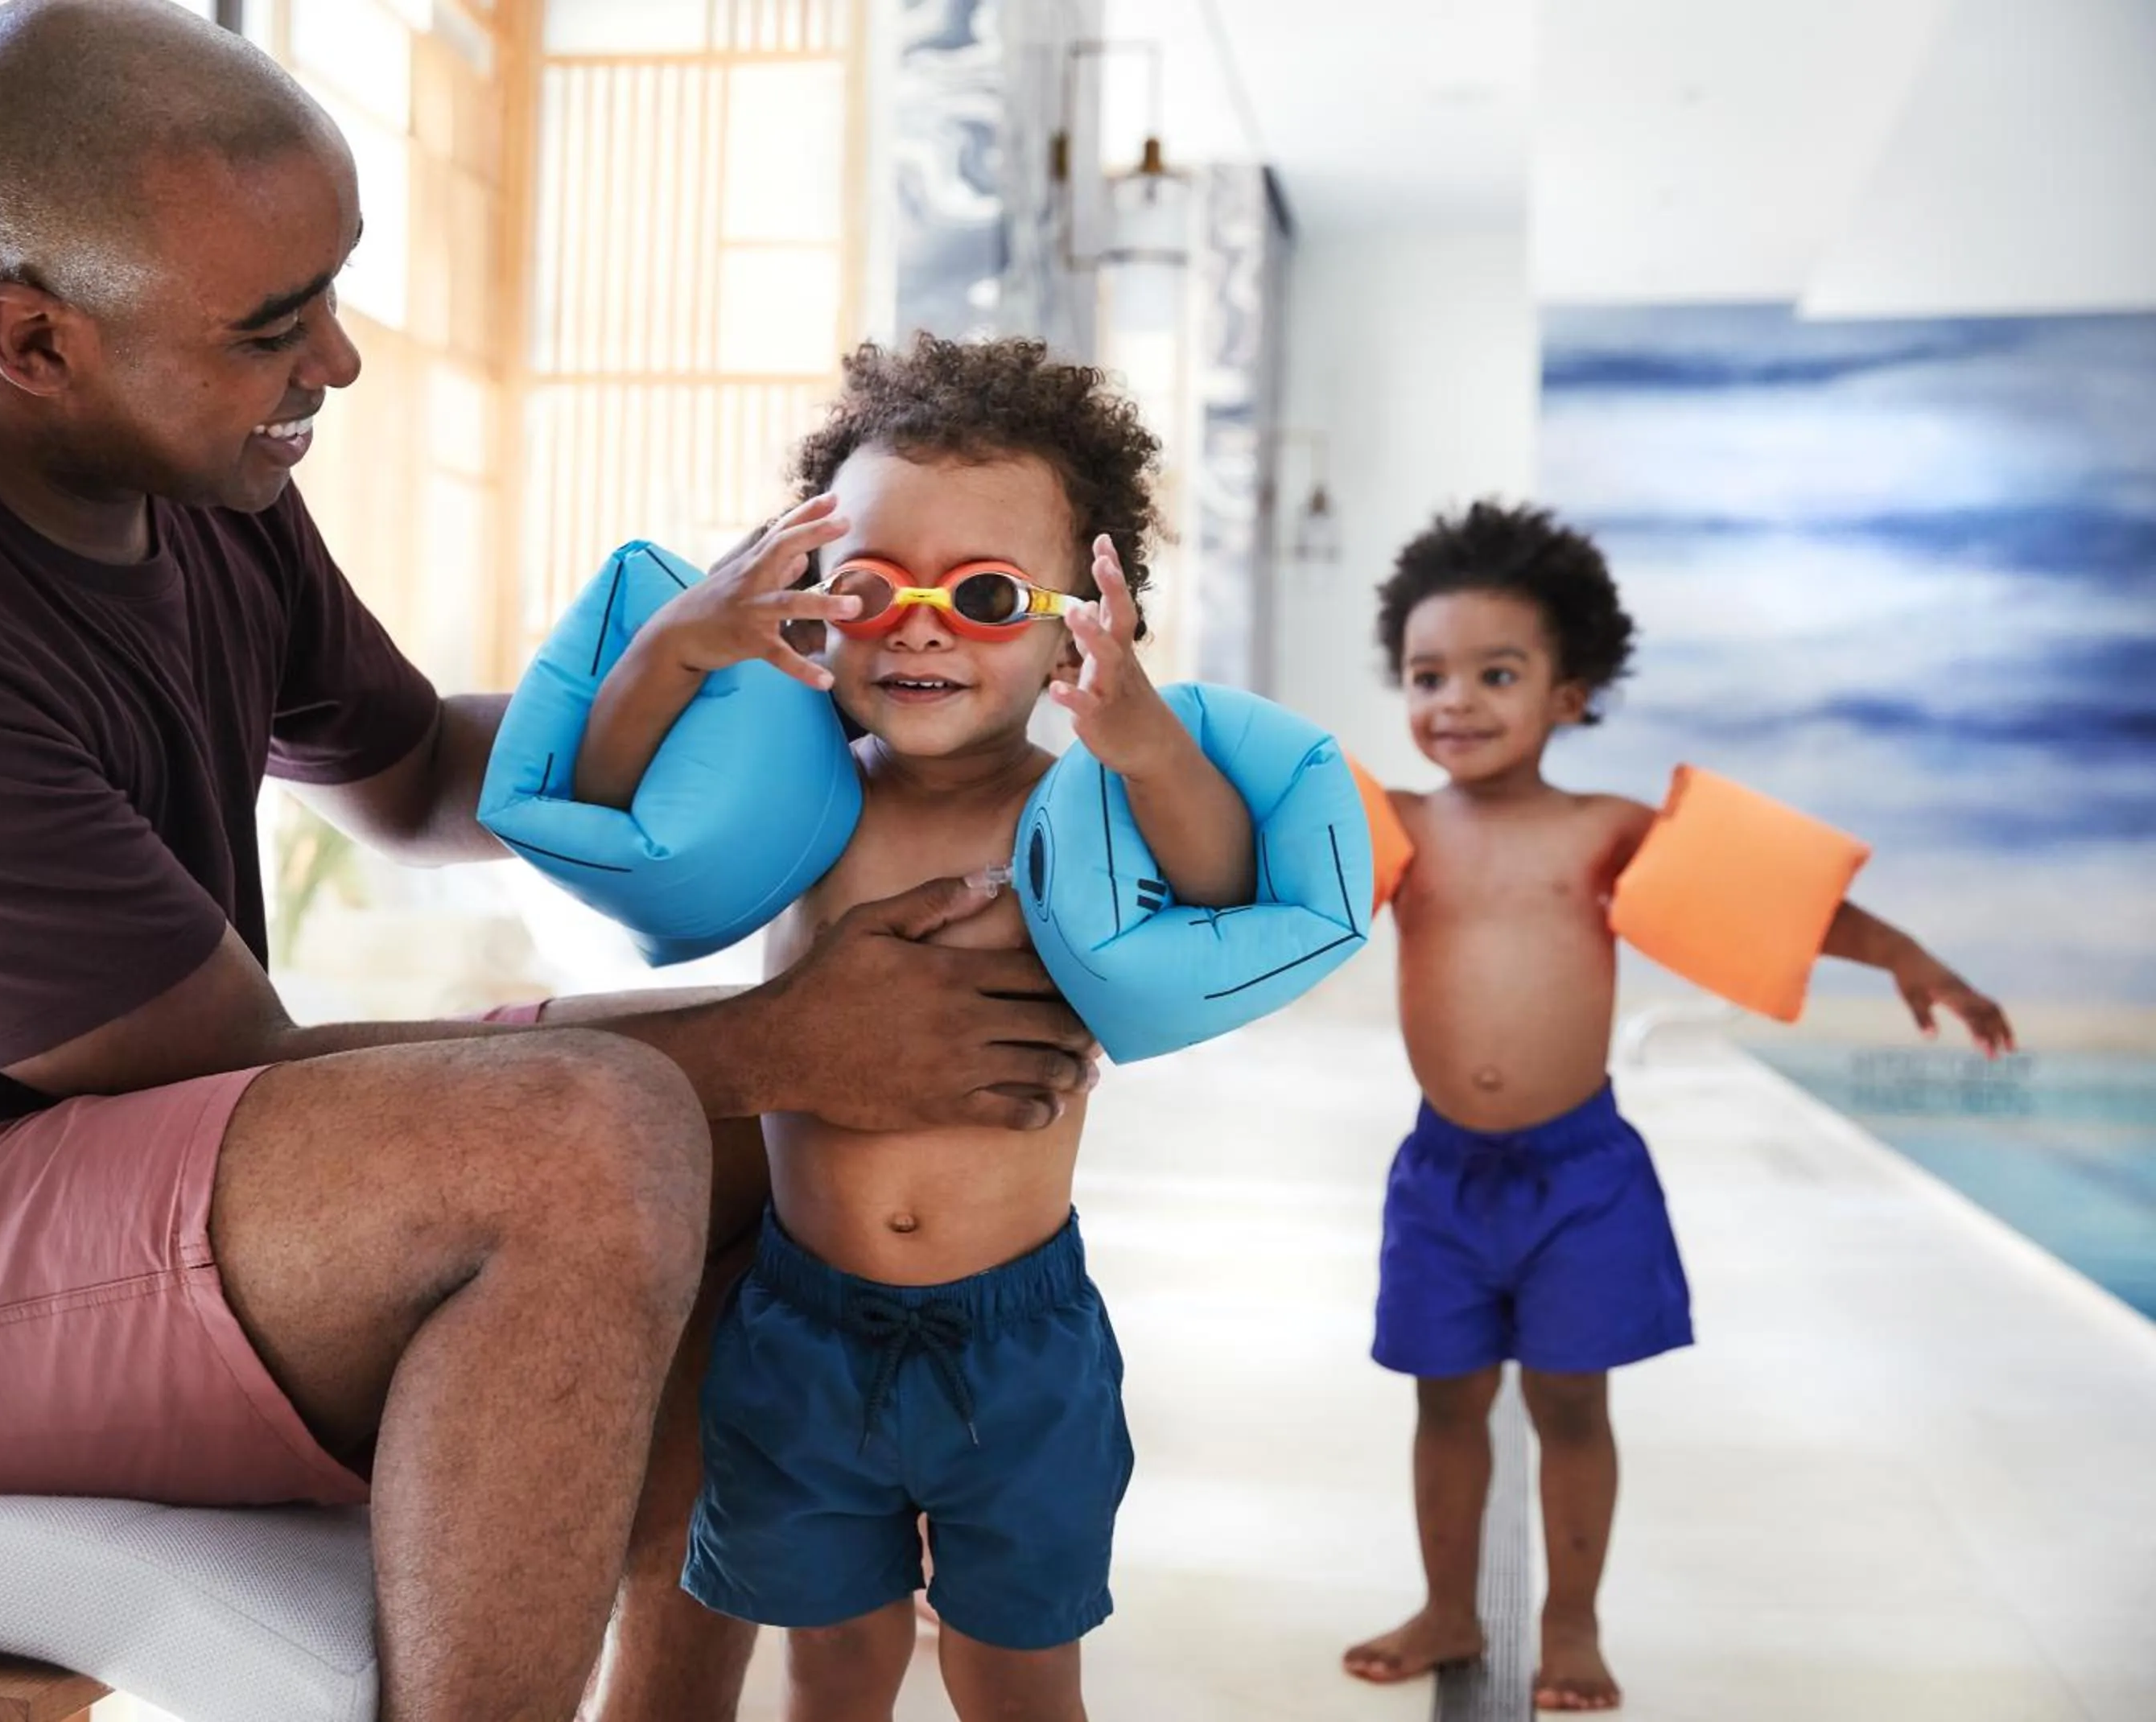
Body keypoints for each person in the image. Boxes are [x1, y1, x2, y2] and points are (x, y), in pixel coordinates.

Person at [0, 6, 1099, 1720]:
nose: (337, 362)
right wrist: (788, 1036)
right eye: (270, 329)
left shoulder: (201, 479)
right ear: (36, 340)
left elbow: (429, 777)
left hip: (98, 1177)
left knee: (788, 1140)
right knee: (596, 1128)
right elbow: (222, 1074)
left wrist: (767, 703)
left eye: (332, 290)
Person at [569, 334, 1253, 1722]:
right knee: (835, 1662)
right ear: (814, 604)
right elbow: (612, 804)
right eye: (873, 590)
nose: (922, 627)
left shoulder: (1084, 808)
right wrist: (674, 645)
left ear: (1080, 625)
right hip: (802, 1324)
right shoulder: (803, 797)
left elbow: (1223, 887)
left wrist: (1150, 743)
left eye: (988, 594)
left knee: (1017, 1673)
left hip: (1021, 1333)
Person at [1338, 501, 2016, 1712]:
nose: (1456, 702)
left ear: (1571, 693)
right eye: (1427, 675)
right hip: (1443, 1174)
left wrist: (1913, 957)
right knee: (1446, 1399)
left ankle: (1572, 1625)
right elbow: (1233, 840)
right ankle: (1450, 1607)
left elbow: (1781, 908)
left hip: (1580, 1172)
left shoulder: (1603, 830)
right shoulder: (1399, 825)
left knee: (1569, 1402)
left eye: (1498, 673)